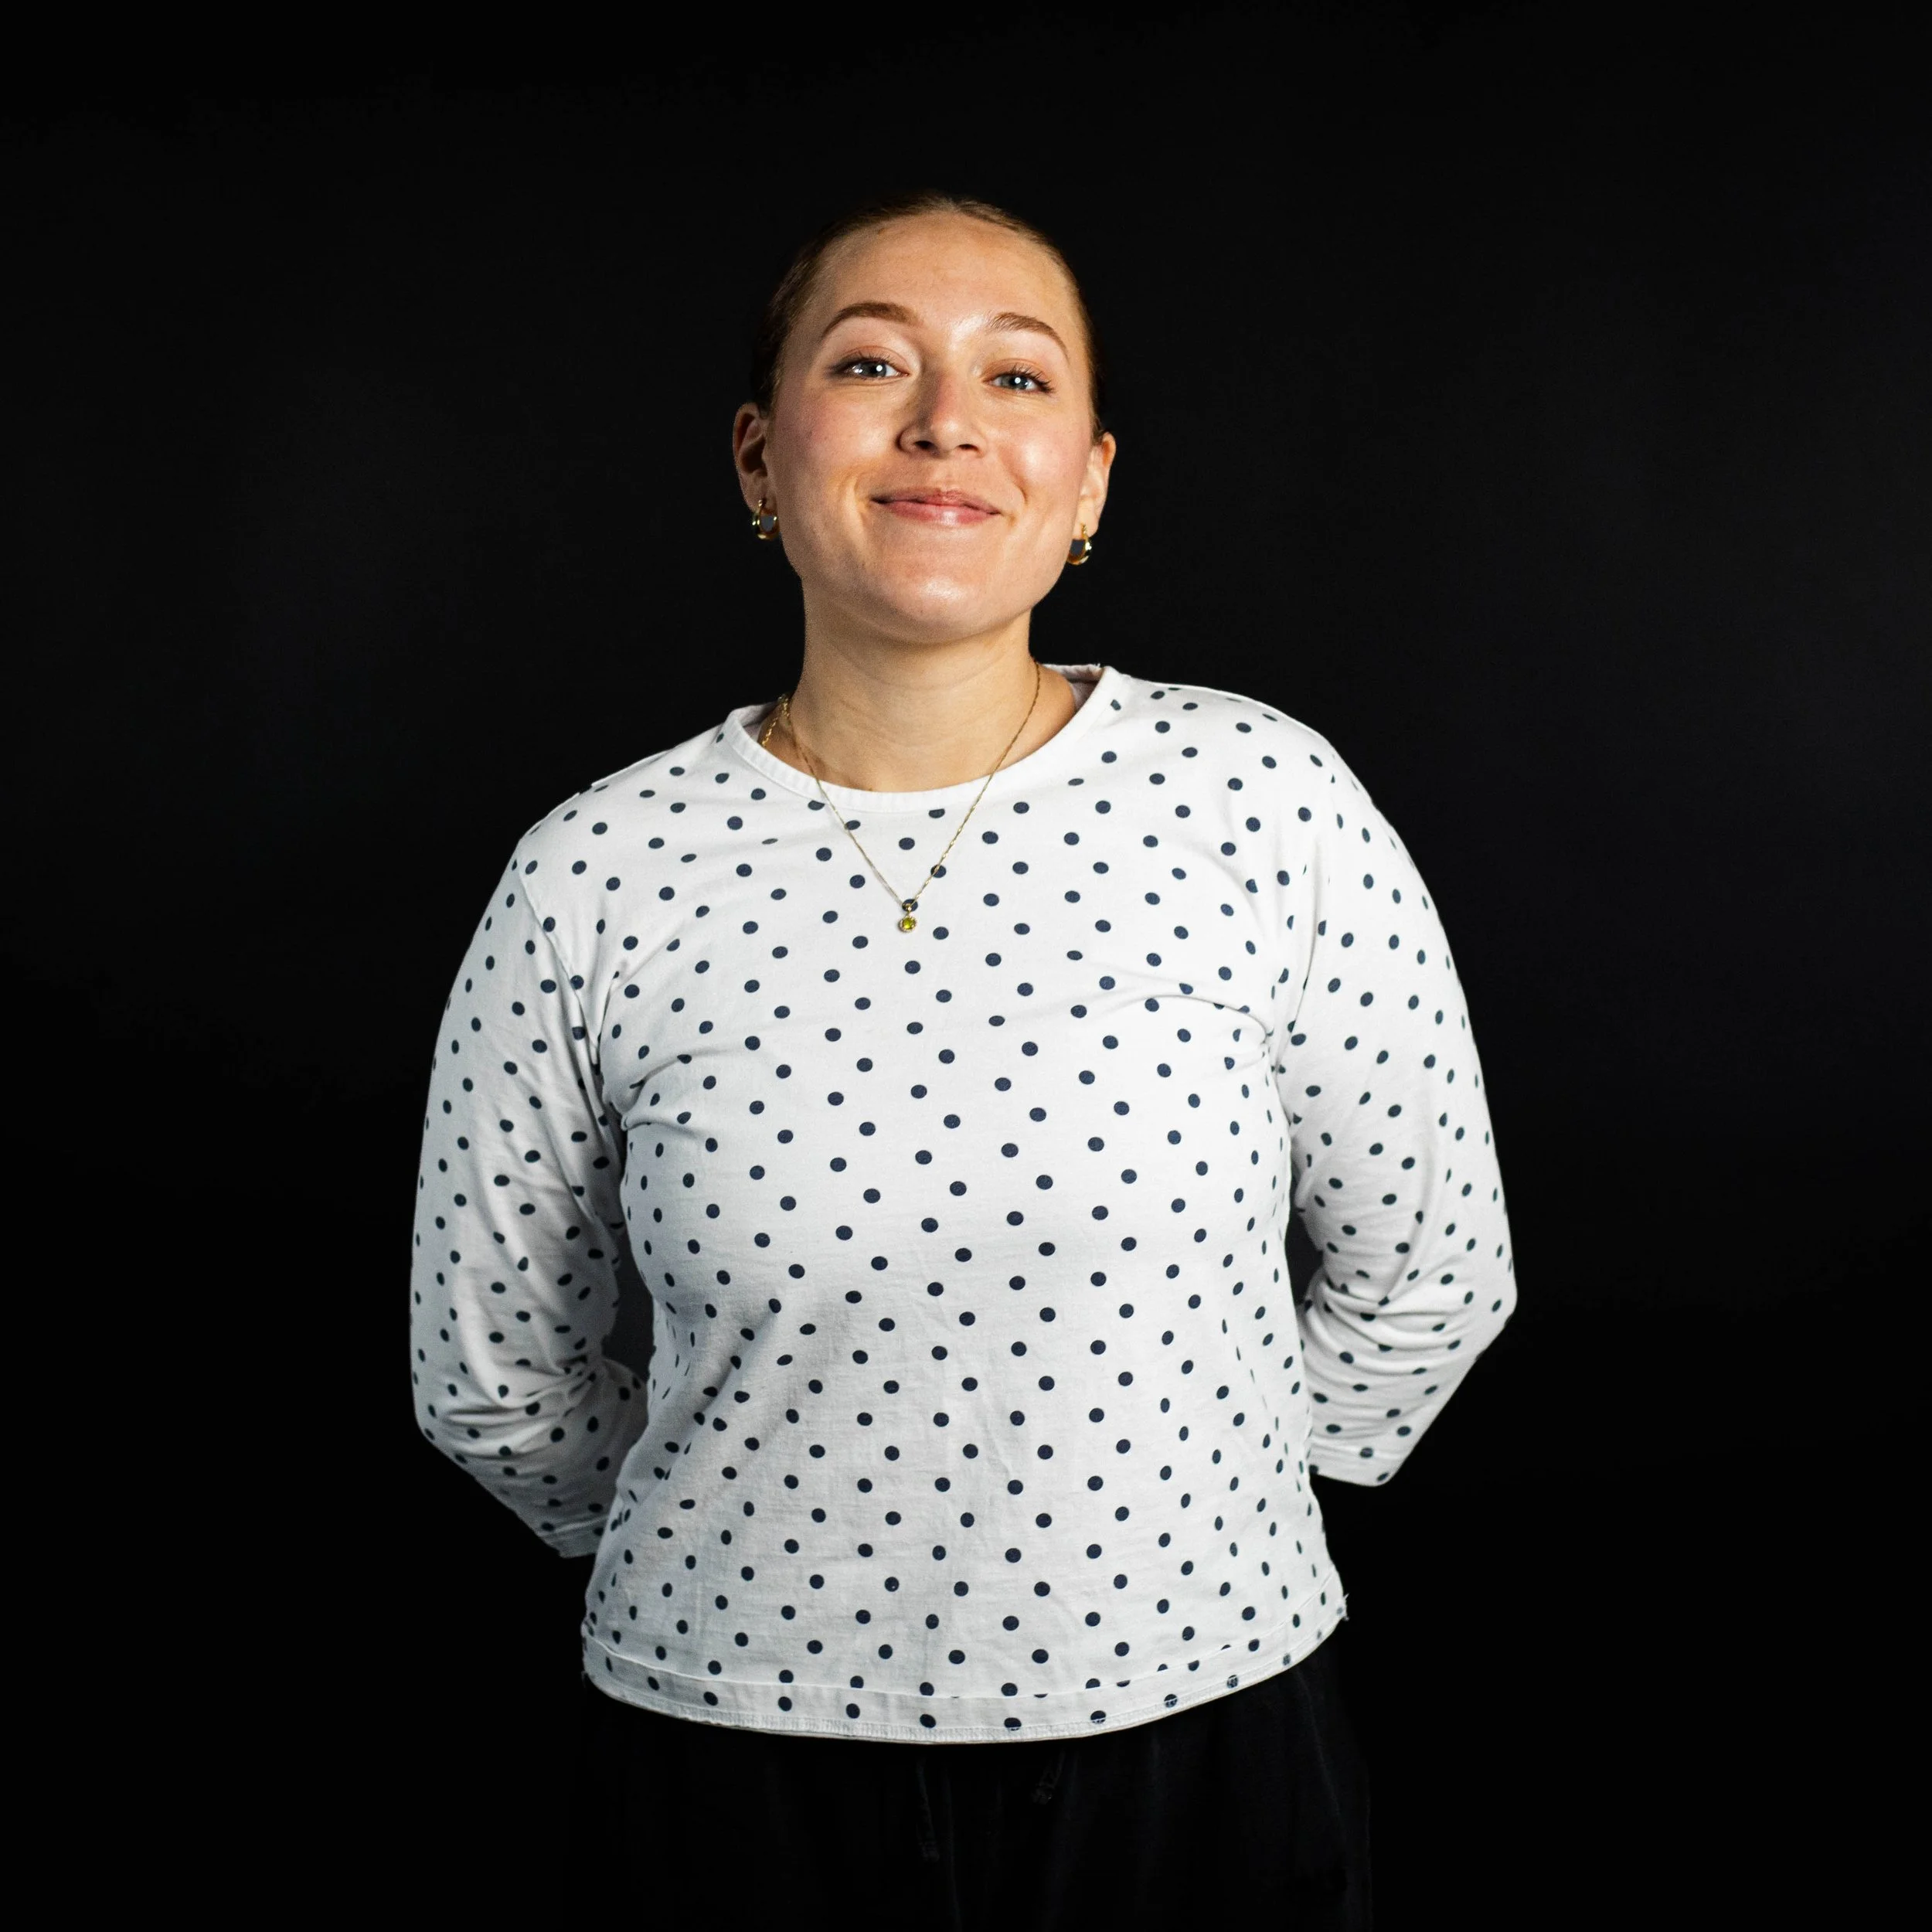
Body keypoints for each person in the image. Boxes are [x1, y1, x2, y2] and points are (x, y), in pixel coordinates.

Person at [407, 189, 1516, 1927]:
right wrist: (746, 1544)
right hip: (724, 1770)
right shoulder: (590, 873)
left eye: (1016, 377)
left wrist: (1169, 1513)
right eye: (872, 362)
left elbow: (1431, 1276)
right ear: (761, 457)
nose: (945, 422)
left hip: (1204, 1742)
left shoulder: (1263, 802)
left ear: (1083, 482)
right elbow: (489, 1372)